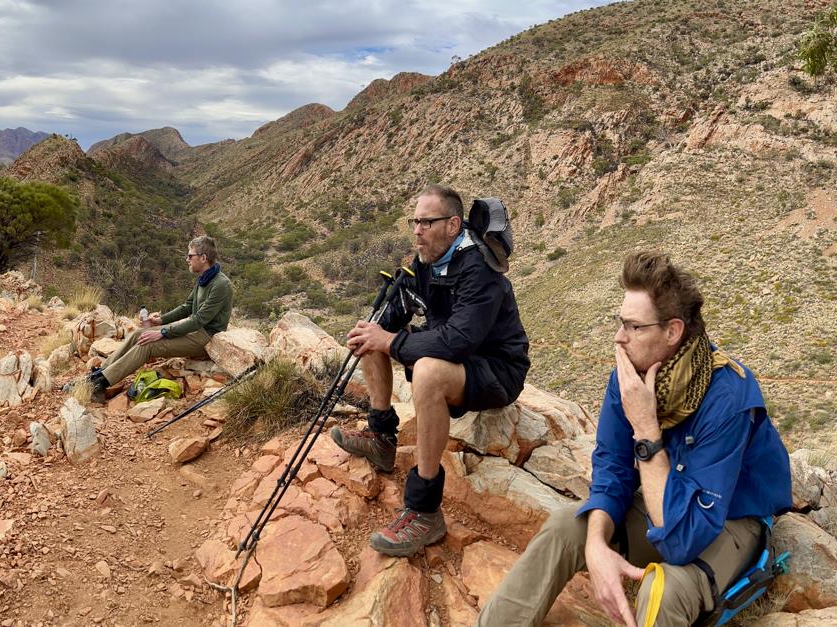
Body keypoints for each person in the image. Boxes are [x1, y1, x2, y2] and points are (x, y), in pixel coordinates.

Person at [474, 251, 791, 627]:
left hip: (730, 518)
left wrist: (645, 428)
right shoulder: (628, 377)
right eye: (620, 322)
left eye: (633, 327)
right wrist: (596, 545)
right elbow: (611, 470)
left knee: (667, 587)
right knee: (565, 528)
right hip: (664, 497)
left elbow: (683, 541)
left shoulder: (727, 396)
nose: (619, 337)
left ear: (672, 331)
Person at [328, 183, 529, 557]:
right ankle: (382, 438)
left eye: (426, 222)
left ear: (453, 225)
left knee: (426, 371)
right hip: (459, 358)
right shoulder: (429, 261)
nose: (417, 230)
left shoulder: (479, 270)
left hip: (498, 370)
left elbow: (458, 341)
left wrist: (391, 342)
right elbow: (397, 320)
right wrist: (376, 330)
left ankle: (425, 509)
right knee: (372, 333)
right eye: (415, 222)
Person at [83, 235, 233, 399]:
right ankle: (99, 373)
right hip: (195, 331)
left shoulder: (220, 284)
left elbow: (198, 320)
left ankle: (98, 384)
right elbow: (187, 307)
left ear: (203, 258)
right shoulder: (203, 279)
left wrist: (162, 332)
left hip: (207, 337)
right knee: (138, 334)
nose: (186, 259)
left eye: (190, 256)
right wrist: (160, 321)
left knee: (148, 345)